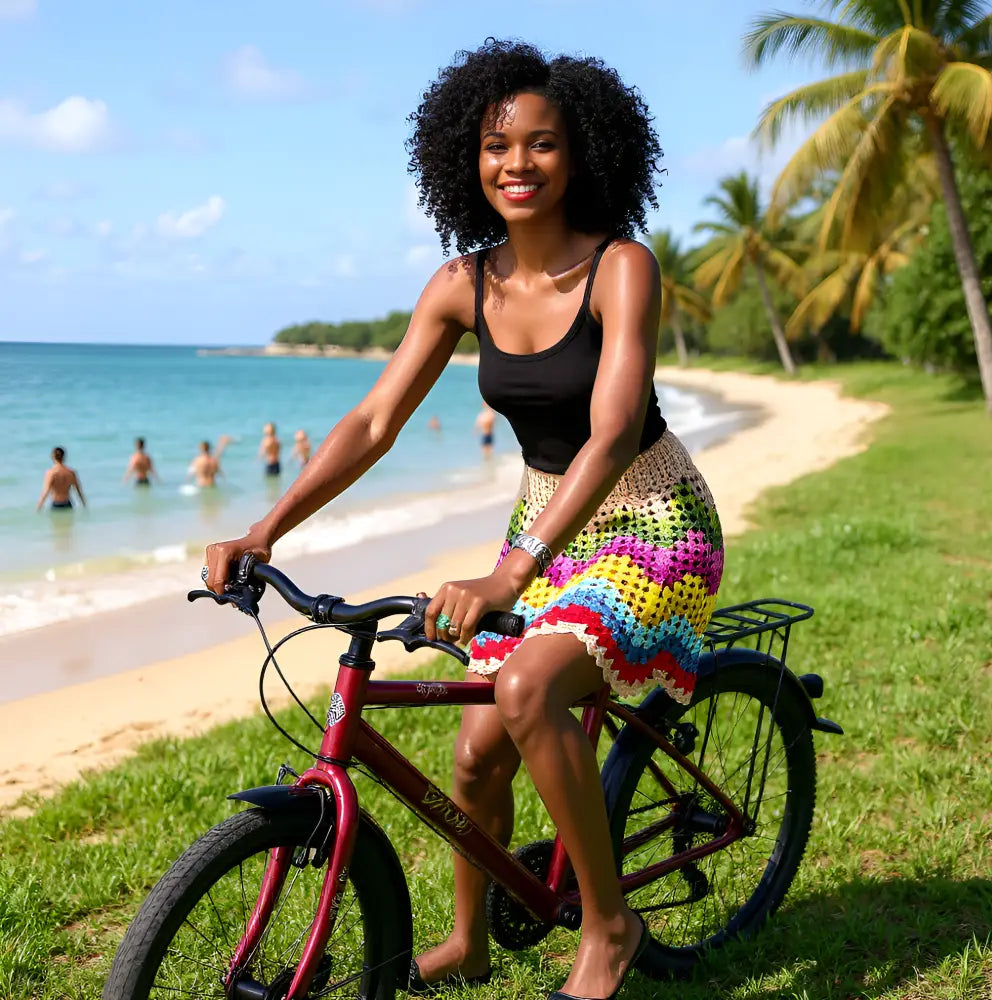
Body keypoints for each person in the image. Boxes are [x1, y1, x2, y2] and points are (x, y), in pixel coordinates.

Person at [204, 39, 723, 1000]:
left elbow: (610, 435)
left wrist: (510, 573)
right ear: (464, 158)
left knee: (525, 692)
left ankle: (608, 930)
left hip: (652, 523)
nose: (516, 165)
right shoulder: (460, 286)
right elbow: (371, 422)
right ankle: (472, 940)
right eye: (495, 145)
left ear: (583, 156)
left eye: (542, 145)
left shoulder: (621, 269)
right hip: (546, 521)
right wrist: (263, 529)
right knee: (476, 749)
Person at [37, 446, 86, 510]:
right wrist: (84, 505)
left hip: (56, 505)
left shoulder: (50, 473)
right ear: (64, 457)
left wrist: (38, 507)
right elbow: (78, 491)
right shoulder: (71, 473)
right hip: (67, 504)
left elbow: (45, 492)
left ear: (53, 457)